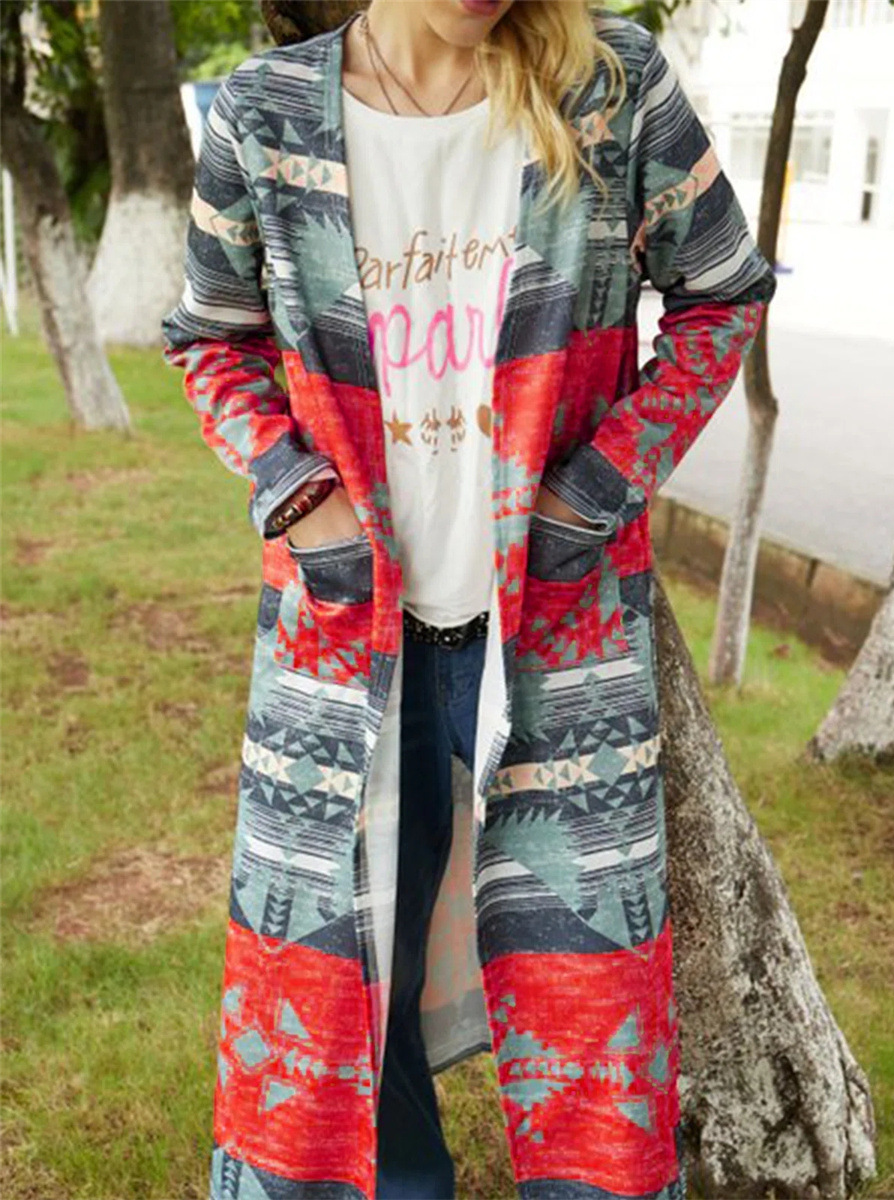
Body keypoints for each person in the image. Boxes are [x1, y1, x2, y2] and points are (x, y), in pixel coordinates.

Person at [160, 2, 777, 1199]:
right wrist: (296, 497)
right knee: (340, 1001)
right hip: (345, 648)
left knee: (593, 1020)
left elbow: (723, 296)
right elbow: (207, 337)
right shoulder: (264, 113)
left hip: (557, 648)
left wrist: (592, 494)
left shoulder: (611, 87)